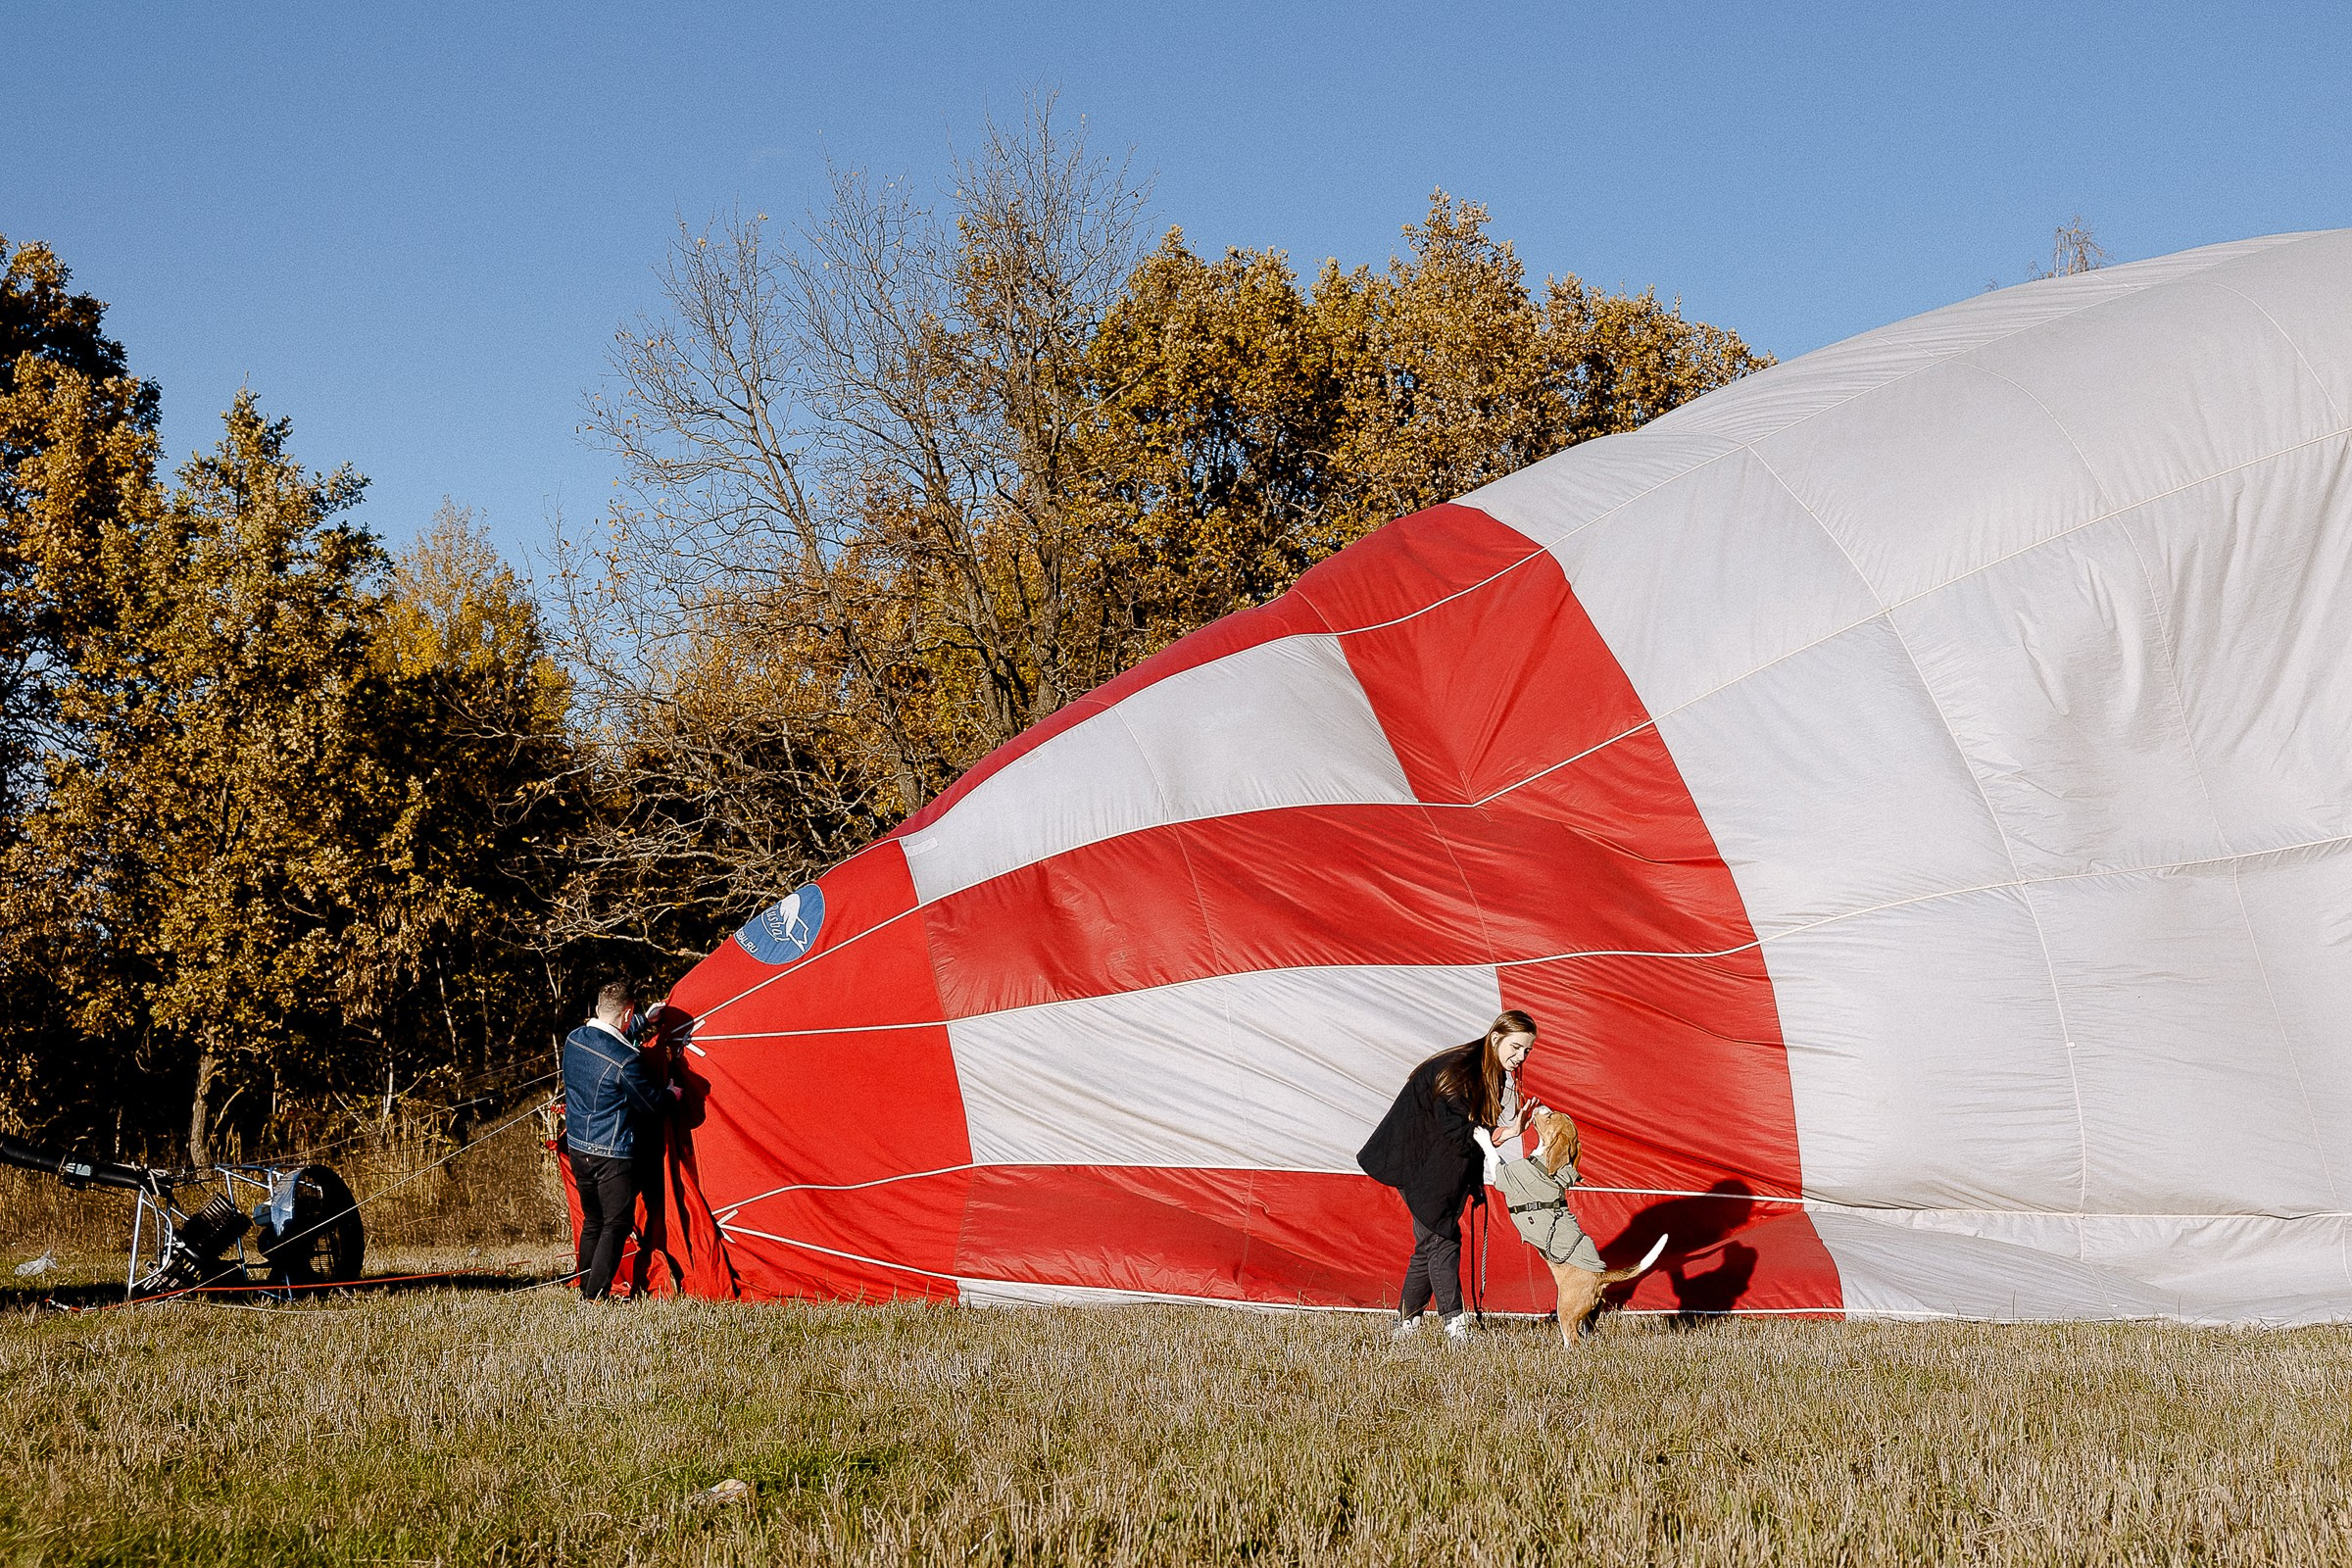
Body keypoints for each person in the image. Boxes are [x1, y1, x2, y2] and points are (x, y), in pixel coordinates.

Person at [1356, 1009, 1538, 1343]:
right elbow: (1457, 1133)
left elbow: (1471, 1133)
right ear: (1495, 1038)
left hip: (1437, 1161)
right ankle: (1456, 1328)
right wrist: (1505, 1133)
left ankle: (1405, 1326)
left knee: (1430, 1242)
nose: (1521, 1057)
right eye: (1515, 1047)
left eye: (1527, 1050)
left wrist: (1480, 1172)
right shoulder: (1458, 1071)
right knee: (1442, 1239)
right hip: (1413, 1160)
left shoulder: (1492, 1073)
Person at [561, 975, 671, 1300]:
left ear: (598, 1009)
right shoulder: (627, 1060)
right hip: (612, 1153)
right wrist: (672, 1093)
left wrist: (643, 1021)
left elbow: (608, 1036)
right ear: (627, 1012)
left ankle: (585, 1286)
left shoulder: (574, 1039)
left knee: (593, 1220)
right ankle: (595, 1295)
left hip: (578, 1148)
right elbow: (651, 1103)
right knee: (616, 1223)